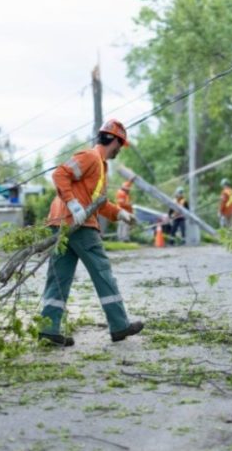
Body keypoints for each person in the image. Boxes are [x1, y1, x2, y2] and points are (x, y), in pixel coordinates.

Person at [38, 119, 144, 347]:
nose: (119, 150)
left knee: (58, 277)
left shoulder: (100, 166)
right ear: (114, 140)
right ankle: (119, 325)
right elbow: (59, 174)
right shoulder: (90, 157)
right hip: (79, 227)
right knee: (103, 273)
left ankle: (48, 329)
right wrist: (74, 204)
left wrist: (121, 214)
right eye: (120, 145)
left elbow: (99, 204)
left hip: (62, 224)